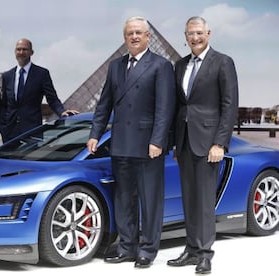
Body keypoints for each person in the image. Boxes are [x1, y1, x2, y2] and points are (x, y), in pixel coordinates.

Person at [87, 16, 175, 268]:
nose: (134, 37)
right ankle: (127, 247)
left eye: (139, 32)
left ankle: (148, 249)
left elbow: (165, 108)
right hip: (121, 144)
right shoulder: (115, 66)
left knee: (150, 200)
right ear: (125, 38)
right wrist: (95, 133)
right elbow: (104, 104)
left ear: (148, 37)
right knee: (124, 199)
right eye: (129, 33)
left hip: (149, 146)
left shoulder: (161, 65)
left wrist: (158, 140)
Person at [166, 16, 238, 274]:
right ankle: (191, 249)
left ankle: (206, 254)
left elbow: (229, 106)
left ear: (208, 33)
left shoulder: (223, 62)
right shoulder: (180, 65)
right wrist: (175, 143)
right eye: (189, 34)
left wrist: (220, 143)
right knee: (189, 200)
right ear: (185, 37)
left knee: (205, 201)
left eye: (198, 33)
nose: (194, 38)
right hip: (185, 142)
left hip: (209, 145)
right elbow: (178, 106)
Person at [0, 38, 79, 142]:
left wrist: (62, 111)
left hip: (32, 131)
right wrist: (2, 127)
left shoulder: (41, 74)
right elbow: (4, 104)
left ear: (31, 52)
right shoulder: (7, 76)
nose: (21, 52)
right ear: (15, 52)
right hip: (9, 133)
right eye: (18, 49)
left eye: (24, 49)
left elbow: (52, 99)